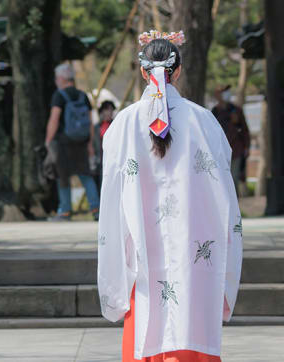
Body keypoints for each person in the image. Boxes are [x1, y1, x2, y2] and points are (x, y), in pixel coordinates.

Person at [97, 31, 243, 362]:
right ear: (177, 71)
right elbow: (223, 192)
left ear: (143, 71)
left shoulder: (124, 123)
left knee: (147, 317)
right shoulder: (204, 121)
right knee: (191, 317)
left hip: (142, 244)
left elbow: (112, 196)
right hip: (194, 246)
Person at [45, 63, 99, 221]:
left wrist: (48, 140)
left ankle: (65, 211)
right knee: (86, 176)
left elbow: (54, 119)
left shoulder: (59, 96)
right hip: (81, 142)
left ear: (61, 78)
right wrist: (89, 143)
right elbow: (90, 122)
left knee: (62, 176)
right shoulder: (83, 96)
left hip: (63, 142)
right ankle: (96, 210)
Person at [211, 86, 250, 196]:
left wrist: (246, 147)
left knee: (234, 178)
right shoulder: (214, 112)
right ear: (217, 95)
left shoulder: (236, 110)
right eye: (223, 92)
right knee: (222, 180)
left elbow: (245, 130)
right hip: (219, 151)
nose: (226, 94)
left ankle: (236, 209)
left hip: (236, 150)